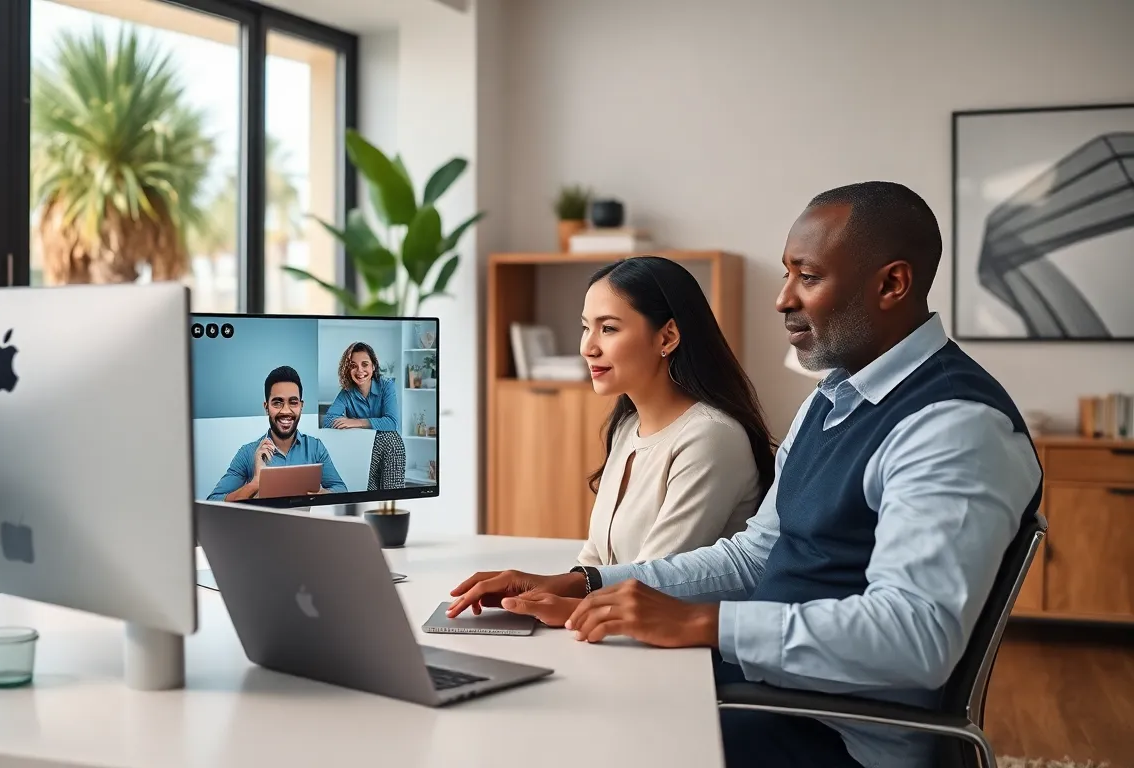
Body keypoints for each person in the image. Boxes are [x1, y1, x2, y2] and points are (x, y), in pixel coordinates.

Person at [447, 182, 1043, 768]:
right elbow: (751, 557)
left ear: (891, 283)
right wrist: (588, 582)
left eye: (807, 277)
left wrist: (703, 623)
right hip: (765, 690)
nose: (783, 298)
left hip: (834, 735)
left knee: (571, 737)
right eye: (787, 274)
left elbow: (916, 636)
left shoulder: (952, 426)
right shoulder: (832, 400)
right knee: (541, 707)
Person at [575, 256, 772, 565]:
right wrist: (532, 592)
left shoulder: (710, 437)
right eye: (586, 327)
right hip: (615, 609)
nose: (588, 347)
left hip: (665, 611)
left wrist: (562, 600)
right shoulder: (627, 428)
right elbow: (594, 559)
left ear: (667, 336)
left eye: (608, 328)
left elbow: (654, 581)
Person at [207, 366, 347, 501]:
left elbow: (341, 489)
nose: (286, 411)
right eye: (277, 403)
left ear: (301, 406)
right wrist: (255, 483)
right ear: (266, 407)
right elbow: (214, 501)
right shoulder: (247, 453)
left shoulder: (315, 448)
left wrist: (323, 495)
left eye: (293, 402)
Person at [323, 341, 406, 491]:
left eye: (365, 364)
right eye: (353, 366)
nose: (359, 370)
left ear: (373, 366)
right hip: (362, 449)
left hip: (389, 448)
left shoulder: (387, 386)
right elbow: (328, 420)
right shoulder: (346, 393)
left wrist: (356, 422)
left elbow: (392, 423)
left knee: (390, 494)